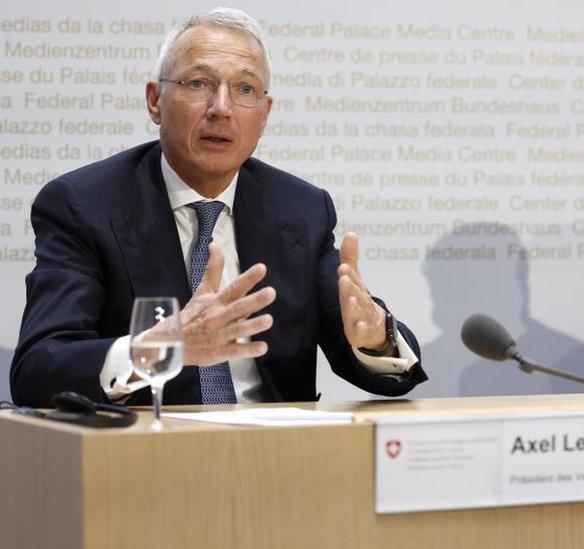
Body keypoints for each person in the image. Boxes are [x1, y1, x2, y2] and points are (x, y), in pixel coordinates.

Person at [11, 8, 427, 406]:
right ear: (155, 101)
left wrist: (375, 337)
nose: (222, 108)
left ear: (264, 115)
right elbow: (38, 369)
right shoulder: (83, 205)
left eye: (245, 90)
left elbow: (377, 364)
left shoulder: (300, 210)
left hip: (277, 457)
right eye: (198, 84)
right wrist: (163, 348)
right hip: (141, 454)